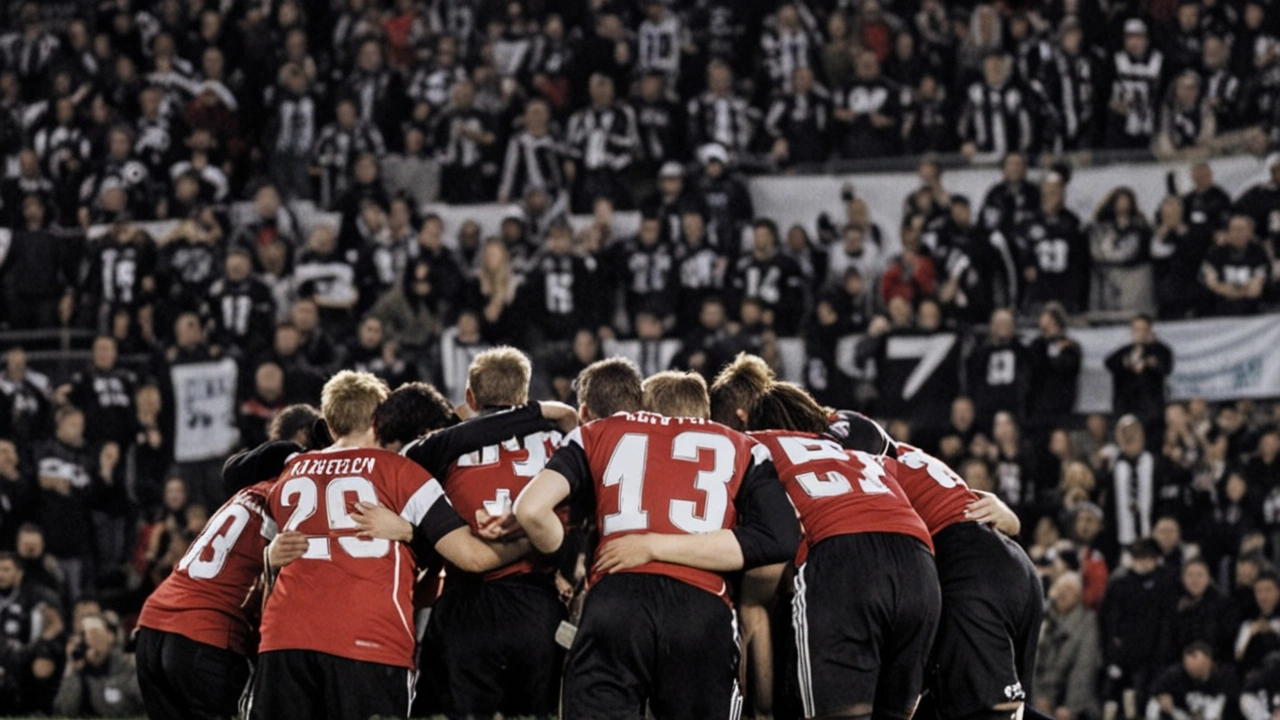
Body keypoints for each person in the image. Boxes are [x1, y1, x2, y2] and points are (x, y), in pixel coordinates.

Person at [514, 359, 799, 720]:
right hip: (701, 610)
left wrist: (575, 563)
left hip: (616, 600)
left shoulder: (603, 430)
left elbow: (531, 510)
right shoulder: (742, 446)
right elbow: (780, 538)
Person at [247, 371, 532, 720]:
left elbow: (272, 557)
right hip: (367, 642)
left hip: (283, 641)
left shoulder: (290, 473)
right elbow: (471, 556)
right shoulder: (400, 471)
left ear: (331, 426)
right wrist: (531, 543)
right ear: (378, 420)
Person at [1034, 572, 1102, 720]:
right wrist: (1038, 698)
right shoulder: (1043, 617)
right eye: (1061, 588)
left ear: (1079, 596)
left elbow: (1083, 668)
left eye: (1070, 590)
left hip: (1070, 701)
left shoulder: (1087, 622)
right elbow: (1033, 661)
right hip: (1038, 697)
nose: (1064, 594)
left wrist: (1071, 707)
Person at [53, 613, 145, 717]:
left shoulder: (128, 666)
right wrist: (72, 668)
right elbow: (66, 712)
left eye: (94, 633)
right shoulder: (79, 670)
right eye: (83, 635)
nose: (89, 639)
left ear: (111, 636)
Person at [1105, 315, 1174, 441]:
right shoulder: (1124, 352)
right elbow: (1109, 363)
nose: (1141, 333)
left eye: (1144, 329)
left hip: (1152, 412)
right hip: (1127, 408)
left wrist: (1151, 361)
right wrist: (1128, 362)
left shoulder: (1160, 350)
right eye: (1137, 329)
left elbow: (1166, 368)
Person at [1145, 642, 1239, 720]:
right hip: (1181, 714)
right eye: (1188, 667)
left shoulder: (1225, 676)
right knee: (1154, 704)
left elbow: (1231, 705)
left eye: (1197, 667)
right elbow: (1156, 691)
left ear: (1208, 662)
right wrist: (1164, 699)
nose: (1191, 670)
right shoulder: (1175, 675)